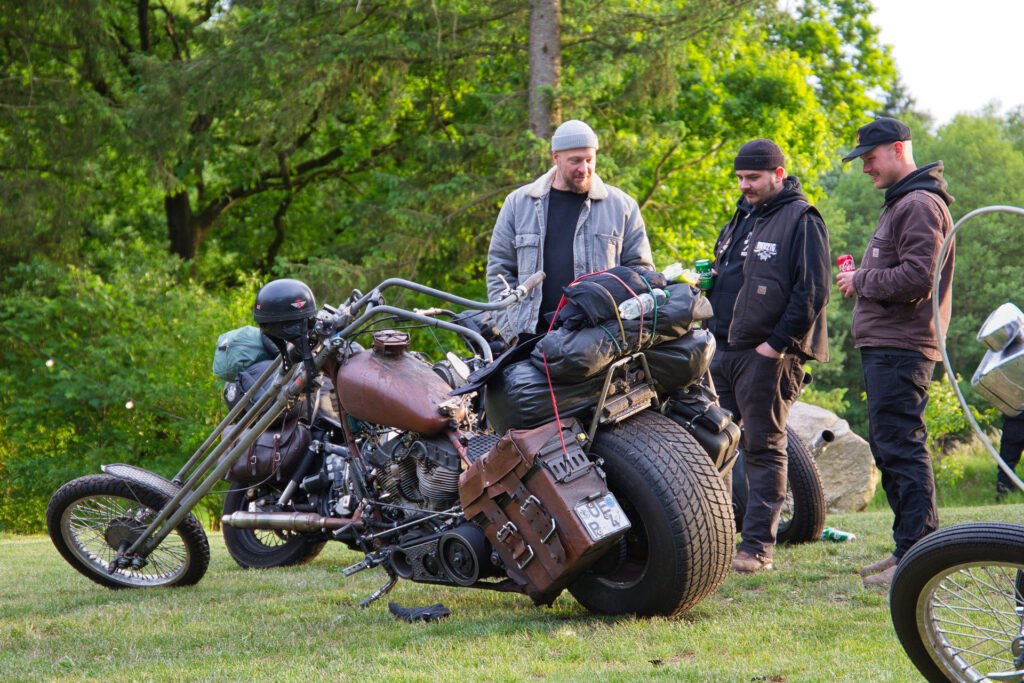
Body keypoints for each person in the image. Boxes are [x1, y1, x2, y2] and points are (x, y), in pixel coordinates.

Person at [836, 117, 955, 587]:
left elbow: (916, 280)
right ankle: (909, 549)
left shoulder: (920, 204)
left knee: (902, 448)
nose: (865, 167)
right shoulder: (905, 203)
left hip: (902, 346)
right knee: (892, 448)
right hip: (890, 344)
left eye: (870, 157)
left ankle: (921, 557)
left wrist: (859, 279)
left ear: (898, 149)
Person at [707, 139, 831, 573]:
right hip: (722, 349)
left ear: (779, 174)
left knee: (763, 448)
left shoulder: (802, 218)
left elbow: (813, 291)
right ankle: (715, 540)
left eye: (753, 178)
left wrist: (774, 345)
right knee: (713, 446)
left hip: (768, 355)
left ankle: (757, 546)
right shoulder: (741, 215)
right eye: (740, 178)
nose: (745, 186)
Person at [486, 119, 654, 342]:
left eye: (589, 160)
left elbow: (642, 274)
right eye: (575, 161)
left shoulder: (622, 207)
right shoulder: (518, 204)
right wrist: (511, 332)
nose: (584, 169)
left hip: (600, 341)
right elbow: (499, 272)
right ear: (556, 157)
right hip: (529, 339)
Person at [996, 412, 1024, 501]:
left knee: (1006, 464)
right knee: (1006, 464)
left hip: (1013, 422)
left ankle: (1004, 492)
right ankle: (1004, 492)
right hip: (1013, 423)